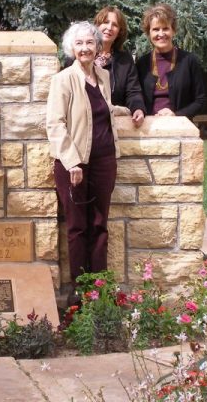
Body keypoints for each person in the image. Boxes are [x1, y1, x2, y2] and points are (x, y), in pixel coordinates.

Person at [46, 21, 121, 304]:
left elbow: (103, 111)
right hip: (74, 165)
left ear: (97, 46)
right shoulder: (63, 80)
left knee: (100, 223)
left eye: (90, 43)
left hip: (104, 161)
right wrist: (72, 161)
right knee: (77, 227)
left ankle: (98, 288)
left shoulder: (102, 76)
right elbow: (55, 124)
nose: (85, 48)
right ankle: (78, 291)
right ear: (71, 48)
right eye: (79, 44)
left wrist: (135, 110)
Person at [136, 3, 206, 117]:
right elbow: (135, 97)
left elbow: (200, 100)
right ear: (149, 33)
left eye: (165, 29)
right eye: (156, 29)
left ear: (173, 31)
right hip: (148, 127)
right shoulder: (141, 64)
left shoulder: (189, 61)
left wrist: (177, 114)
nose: (161, 34)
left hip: (179, 127)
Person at [93, 6, 145, 127]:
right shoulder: (82, 55)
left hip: (113, 126)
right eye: (105, 22)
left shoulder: (125, 60)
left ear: (119, 32)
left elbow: (133, 92)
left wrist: (138, 109)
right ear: (96, 26)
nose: (109, 28)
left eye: (115, 25)